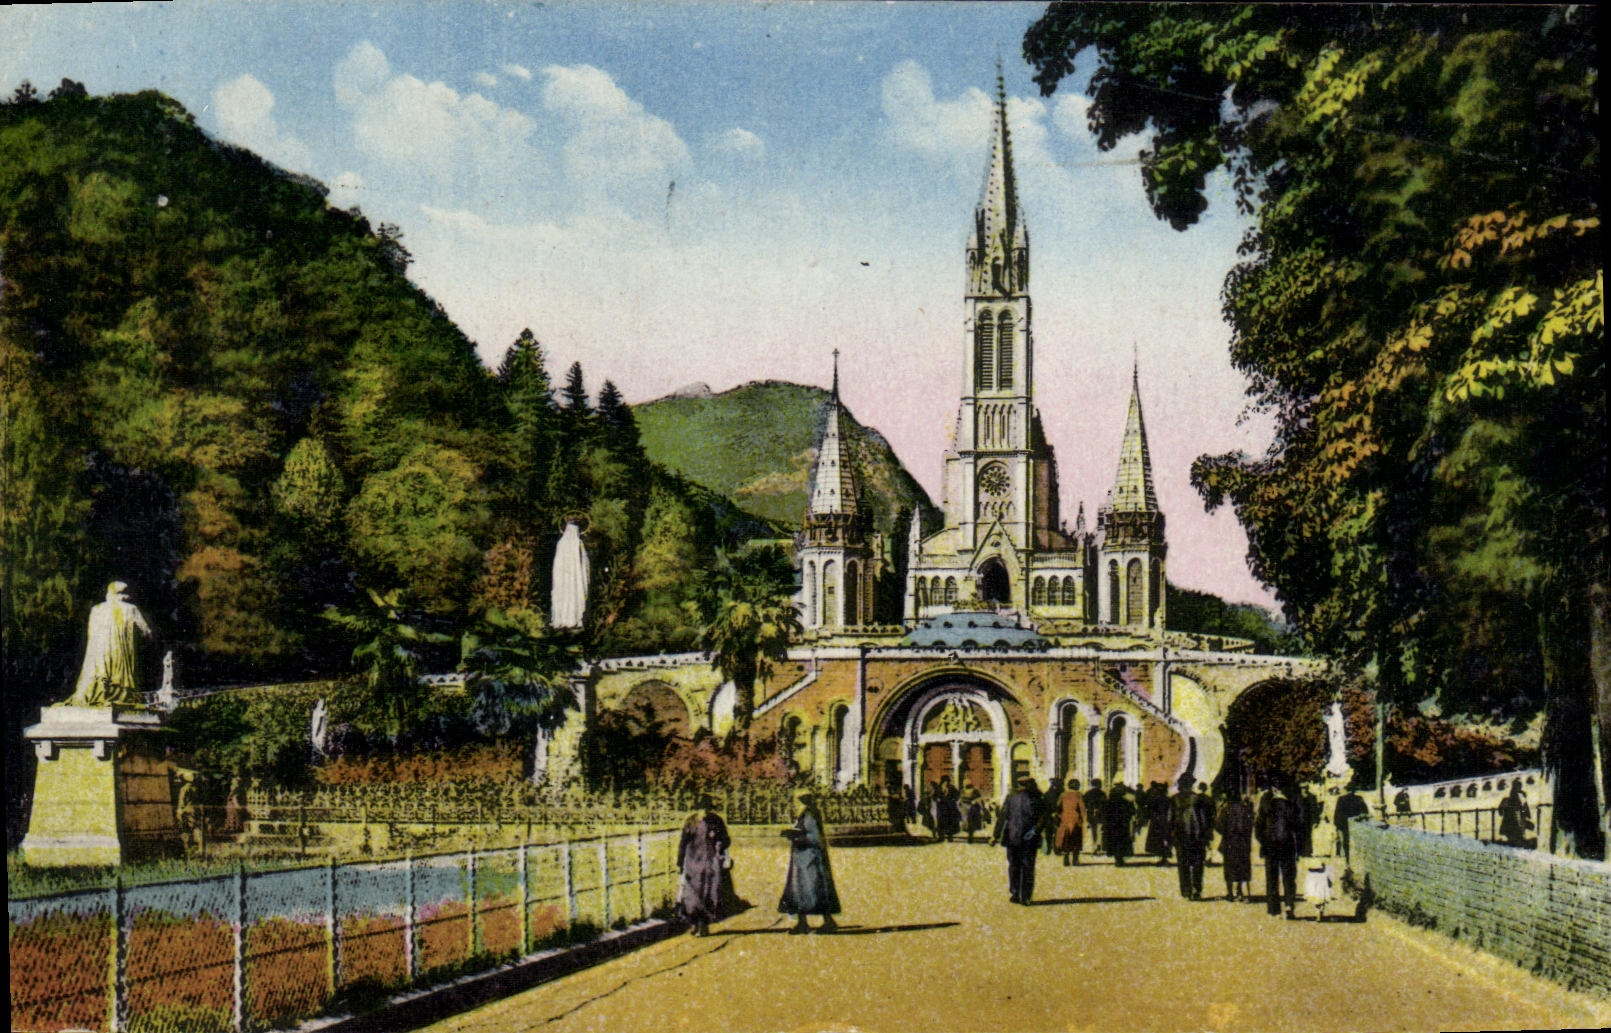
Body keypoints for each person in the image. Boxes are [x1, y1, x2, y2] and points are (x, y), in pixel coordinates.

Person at [69, 581, 154, 706]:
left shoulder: (96, 609)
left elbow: (91, 634)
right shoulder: (131, 609)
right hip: (120, 653)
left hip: (99, 656)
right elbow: (146, 632)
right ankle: (119, 693)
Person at [779, 790, 840, 934]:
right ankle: (802, 922)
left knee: (814, 889)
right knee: (799, 889)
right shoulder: (806, 813)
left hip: (810, 857)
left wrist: (795, 836)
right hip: (802, 857)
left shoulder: (811, 814)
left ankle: (828, 921)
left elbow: (814, 837)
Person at [678, 794, 731, 936]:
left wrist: (720, 845)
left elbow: (726, 839)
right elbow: (683, 843)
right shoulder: (691, 822)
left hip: (710, 863)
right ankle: (695, 923)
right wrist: (680, 863)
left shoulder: (716, 821)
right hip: (693, 862)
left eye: (707, 808)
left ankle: (704, 924)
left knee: (709, 893)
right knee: (693, 895)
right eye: (702, 808)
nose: (705, 811)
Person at [1256, 777, 1304, 919]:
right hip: (1287, 843)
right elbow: (1299, 823)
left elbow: (1258, 825)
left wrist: (1263, 840)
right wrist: (1299, 847)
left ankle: (1273, 909)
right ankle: (1289, 905)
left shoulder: (1266, 802)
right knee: (1289, 876)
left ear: (1273, 788)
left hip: (1270, 843)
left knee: (1271, 877)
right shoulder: (1292, 802)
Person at [992, 776, 1042, 904]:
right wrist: (1036, 831)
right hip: (1029, 838)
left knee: (1014, 865)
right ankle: (1026, 897)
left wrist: (995, 835)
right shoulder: (1036, 797)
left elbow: (1003, 817)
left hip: (1012, 836)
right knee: (1028, 867)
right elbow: (1043, 818)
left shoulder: (1011, 797)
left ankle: (1015, 893)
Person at [1171, 778, 1213, 900]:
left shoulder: (1174, 799)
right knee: (1198, 864)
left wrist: (1169, 837)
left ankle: (1186, 890)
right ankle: (1197, 890)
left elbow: (1170, 819)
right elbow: (1204, 819)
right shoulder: (1199, 799)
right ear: (1191, 785)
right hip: (1197, 836)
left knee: (1183, 864)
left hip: (1180, 836)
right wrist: (1207, 836)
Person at [1219, 787, 1255, 901]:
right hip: (1242, 842)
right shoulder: (1245, 809)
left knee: (1229, 866)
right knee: (1241, 866)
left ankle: (1229, 892)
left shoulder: (1226, 809)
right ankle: (1239, 890)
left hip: (1229, 841)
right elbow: (1250, 825)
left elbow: (1218, 825)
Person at [1055, 778, 1087, 866]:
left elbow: (1058, 807)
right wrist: (1084, 818)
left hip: (1065, 819)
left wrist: (1058, 816)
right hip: (1076, 820)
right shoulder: (1078, 795)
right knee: (1076, 839)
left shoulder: (1063, 795)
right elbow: (1082, 808)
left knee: (1066, 839)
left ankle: (1066, 859)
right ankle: (1075, 860)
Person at [1334, 787, 1370, 863]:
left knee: (1346, 841)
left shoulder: (1341, 799)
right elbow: (1365, 811)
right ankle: (1356, 859)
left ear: (1346, 790)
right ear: (1354, 791)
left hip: (1345, 824)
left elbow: (1337, 813)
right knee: (1356, 842)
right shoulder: (1359, 798)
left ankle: (1347, 859)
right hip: (1356, 824)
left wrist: (1337, 825)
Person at [1104, 783, 1136, 866]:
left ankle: (1117, 858)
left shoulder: (1109, 801)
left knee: (1114, 841)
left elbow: (1105, 813)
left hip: (1112, 824)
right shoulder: (1127, 801)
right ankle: (1120, 858)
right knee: (1122, 841)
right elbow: (1132, 812)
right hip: (1123, 824)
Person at [1497, 781, 1533, 848]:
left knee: (1516, 835)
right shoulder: (1518, 796)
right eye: (1518, 787)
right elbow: (1525, 808)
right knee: (1517, 835)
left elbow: (1500, 811)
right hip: (1515, 820)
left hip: (1514, 820)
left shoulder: (1517, 796)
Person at [1145, 781, 1173, 865]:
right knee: (1166, 838)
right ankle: (1164, 857)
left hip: (1157, 821)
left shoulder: (1155, 800)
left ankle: (1163, 857)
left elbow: (1150, 810)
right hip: (1165, 821)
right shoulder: (1168, 799)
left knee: (1159, 839)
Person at [1039, 778, 1064, 855]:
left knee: (1049, 833)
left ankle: (1049, 848)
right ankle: (1054, 849)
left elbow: (1043, 806)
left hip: (1050, 815)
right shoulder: (1061, 794)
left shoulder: (1047, 794)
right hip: (1055, 815)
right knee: (1055, 832)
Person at [1084, 779, 1108, 856]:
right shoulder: (1102, 793)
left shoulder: (1088, 793)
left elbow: (1084, 804)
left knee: (1093, 831)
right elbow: (1105, 804)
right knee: (1100, 830)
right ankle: (1099, 845)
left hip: (1091, 814)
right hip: (1101, 814)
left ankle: (1093, 847)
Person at [934, 776, 962, 842]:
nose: (945, 783)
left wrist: (953, 800)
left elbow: (957, 795)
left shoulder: (951, 787)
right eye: (944, 782)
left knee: (950, 822)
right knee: (941, 822)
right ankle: (941, 836)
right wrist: (937, 799)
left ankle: (950, 836)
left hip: (950, 808)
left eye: (947, 782)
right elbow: (934, 796)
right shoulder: (938, 788)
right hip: (941, 808)